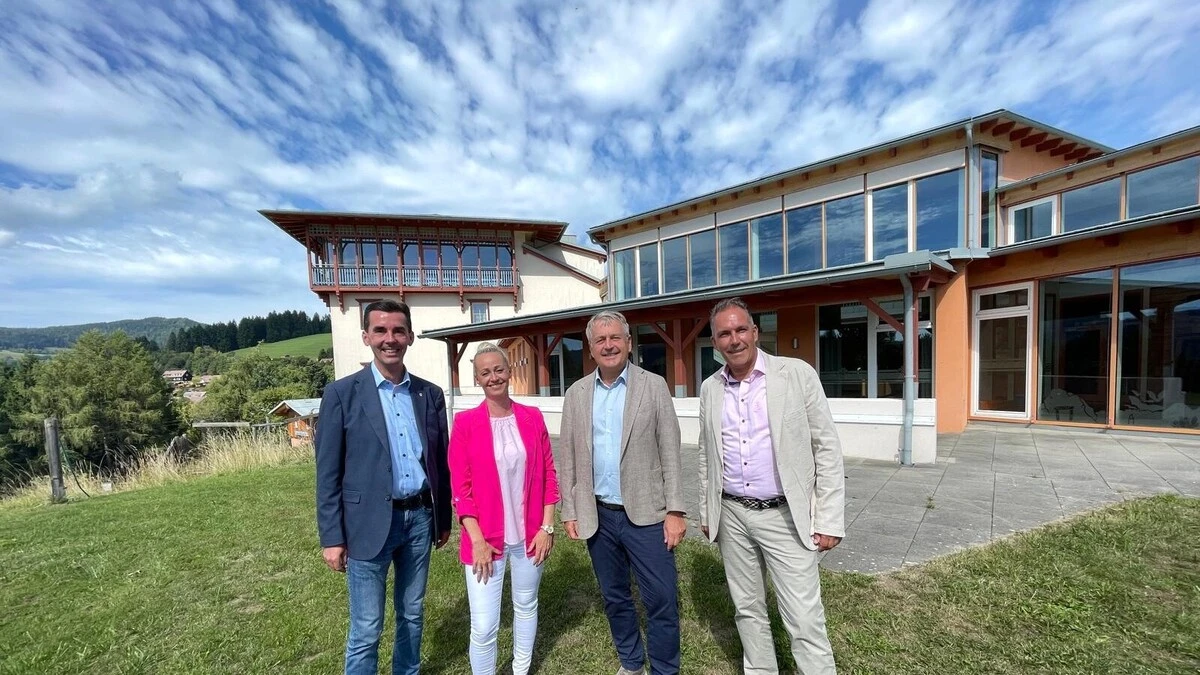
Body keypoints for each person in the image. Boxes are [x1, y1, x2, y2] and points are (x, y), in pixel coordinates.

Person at [697, 297, 845, 675]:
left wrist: (828, 518)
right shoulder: (710, 388)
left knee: (804, 616)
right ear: (715, 342)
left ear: (755, 332)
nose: (734, 340)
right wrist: (707, 511)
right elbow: (707, 455)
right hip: (731, 513)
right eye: (724, 333)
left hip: (784, 514)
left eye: (741, 329)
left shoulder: (796, 374)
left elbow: (826, 447)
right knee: (747, 609)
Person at [315, 299, 452, 675]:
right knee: (366, 626)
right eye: (380, 330)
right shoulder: (342, 395)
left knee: (411, 613)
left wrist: (443, 519)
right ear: (366, 336)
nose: (389, 339)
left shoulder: (429, 394)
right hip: (367, 523)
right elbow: (327, 473)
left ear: (409, 336)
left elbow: (439, 462)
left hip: (420, 520)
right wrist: (332, 537)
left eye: (397, 330)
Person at [558, 310, 686, 675]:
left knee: (661, 598)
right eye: (601, 340)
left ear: (629, 343)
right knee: (615, 597)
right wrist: (570, 509)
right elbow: (567, 453)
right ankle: (631, 663)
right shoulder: (577, 393)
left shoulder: (654, 385)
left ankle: (664, 669)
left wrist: (675, 509)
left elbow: (671, 450)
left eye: (616, 338)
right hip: (598, 515)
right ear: (591, 348)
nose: (609, 345)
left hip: (647, 513)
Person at [448, 342, 560, 675]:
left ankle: (521, 670)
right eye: (486, 372)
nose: (494, 377)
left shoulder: (532, 417)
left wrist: (547, 527)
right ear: (477, 378)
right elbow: (461, 489)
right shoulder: (465, 424)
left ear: (510, 372)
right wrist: (477, 540)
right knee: (484, 626)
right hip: (485, 540)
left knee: (526, 605)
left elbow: (549, 474)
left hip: (530, 536)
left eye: (499, 369)